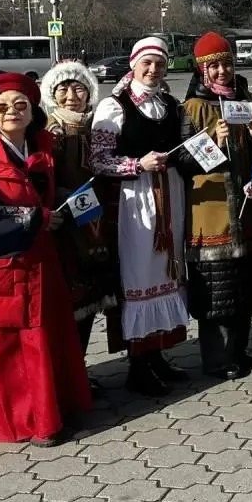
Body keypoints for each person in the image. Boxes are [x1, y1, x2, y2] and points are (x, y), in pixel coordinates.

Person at [0, 72, 92, 446]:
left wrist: (83, 205)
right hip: (3, 264)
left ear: (33, 112)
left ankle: (52, 411)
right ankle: (25, 422)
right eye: (2, 107)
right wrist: (38, 218)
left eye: (20, 106)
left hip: (43, 262)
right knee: (9, 347)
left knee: (46, 338)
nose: (11, 112)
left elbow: (51, 193)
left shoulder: (41, 151)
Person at [90, 36, 192, 396]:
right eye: (146, 63)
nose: (153, 70)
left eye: (160, 64)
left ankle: (157, 354)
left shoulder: (171, 104)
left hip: (170, 197)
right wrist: (139, 164)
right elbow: (98, 160)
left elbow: (184, 146)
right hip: (136, 202)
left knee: (168, 271)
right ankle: (138, 363)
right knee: (140, 276)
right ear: (132, 65)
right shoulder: (113, 106)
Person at [180, 32, 252, 378]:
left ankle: (239, 350)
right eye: (213, 67)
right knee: (216, 291)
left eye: (226, 64)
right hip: (211, 214)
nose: (221, 72)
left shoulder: (247, 99)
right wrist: (213, 141)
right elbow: (183, 161)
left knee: (242, 288)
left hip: (244, 211)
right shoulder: (192, 108)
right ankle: (217, 357)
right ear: (202, 71)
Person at [40, 60, 119, 356]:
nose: (72, 95)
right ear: (52, 93)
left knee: (93, 296)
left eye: (78, 88)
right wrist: (65, 198)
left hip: (98, 219)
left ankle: (80, 370)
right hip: (68, 220)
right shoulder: (50, 128)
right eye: (63, 89)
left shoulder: (96, 124)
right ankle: (71, 372)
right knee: (72, 299)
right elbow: (44, 175)